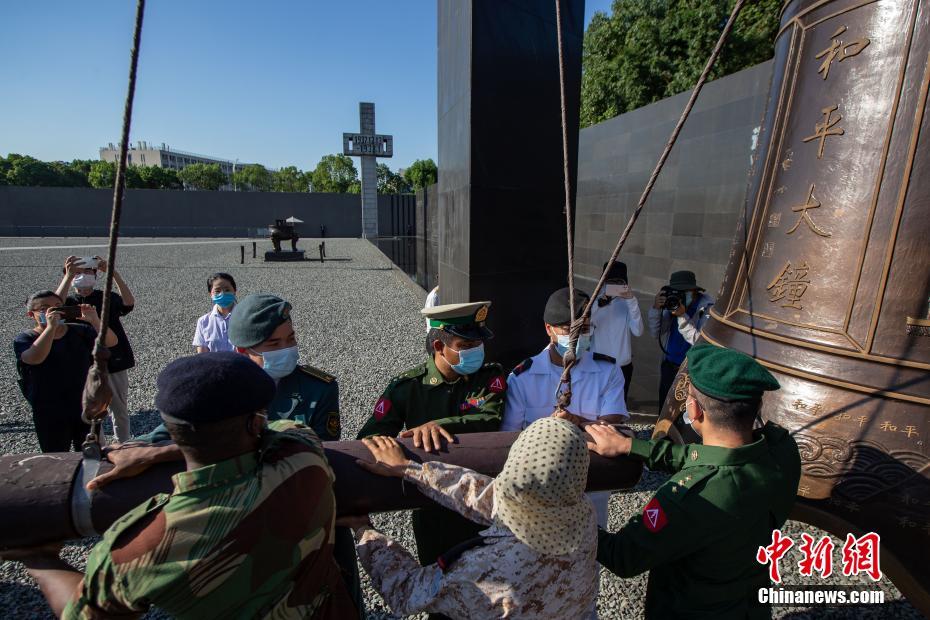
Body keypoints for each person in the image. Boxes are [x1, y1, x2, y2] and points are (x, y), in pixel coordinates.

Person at [6, 352, 357, 618]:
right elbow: (289, 431)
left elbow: (83, 612)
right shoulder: (303, 462)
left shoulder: (141, 547)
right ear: (255, 423)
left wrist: (39, 559)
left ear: (172, 428)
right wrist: (160, 454)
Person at [132, 293, 361, 615]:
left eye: (291, 338)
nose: (286, 349)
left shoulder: (319, 387)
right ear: (243, 351)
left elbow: (320, 451)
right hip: (236, 522)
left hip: (304, 512)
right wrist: (133, 450)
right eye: (273, 344)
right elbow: (166, 434)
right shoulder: (219, 387)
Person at [588, 343, 801, 619]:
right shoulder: (782, 451)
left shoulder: (686, 499)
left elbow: (623, 557)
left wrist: (570, 516)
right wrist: (631, 447)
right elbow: (705, 457)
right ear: (758, 405)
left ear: (694, 410)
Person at [341, 417, 598, 619]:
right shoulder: (581, 513)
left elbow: (406, 591)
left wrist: (364, 531)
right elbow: (492, 499)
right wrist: (412, 471)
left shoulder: (485, 570)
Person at [356, 302, 507, 573]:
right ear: (439, 347)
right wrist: (395, 451)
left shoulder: (489, 377)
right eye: (466, 345)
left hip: (482, 498)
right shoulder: (408, 387)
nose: (476, 351)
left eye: (478, 344)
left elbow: (490, 420)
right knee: (438, 582)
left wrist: (436, 425)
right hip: (431, 504)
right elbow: (370, 436)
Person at [500, 286, 627, 529]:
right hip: (537, 485)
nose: (579, 336)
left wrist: (576, 422)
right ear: (549, 329)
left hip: (591, 483)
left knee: (590, 548)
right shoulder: (522, 377)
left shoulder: (608, 371)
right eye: (570, 330)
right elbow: (509, 437)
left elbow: (613, 428)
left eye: (586, 328)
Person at [14, 291, 117, 452]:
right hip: (49, 411)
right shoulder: (26, 338)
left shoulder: (79, 331)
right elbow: (33, 358)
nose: (53, 311)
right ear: (31, 314)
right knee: (55, 456)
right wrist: (50, 329)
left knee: (89, 455)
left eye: (57, 307)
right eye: (44, 308)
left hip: (84, 406)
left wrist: (95, 320)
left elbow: (111, 342)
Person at [56, 255, 136, 442]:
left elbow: (128, 303)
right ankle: (97, 446)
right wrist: (67, 277)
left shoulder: (105, 297)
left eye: (88, 271)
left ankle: (124, 443)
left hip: (114, 358)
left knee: (119, 407)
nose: (83, 275)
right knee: (93, 408)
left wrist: (112, 273)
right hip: (83, 362)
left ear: (95, 275)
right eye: (78, 273)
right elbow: (53, 307)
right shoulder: (67, 302)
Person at [648, 270, 714, 408]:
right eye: (677, 291)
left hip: (691, 370)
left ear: (694, 291)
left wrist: (682, 316)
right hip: (669, 365)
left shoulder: (707, 309)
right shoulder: (672, 304)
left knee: (686, 411)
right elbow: (656, 333)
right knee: (665, 408)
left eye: (684, 292)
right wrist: (656, 309)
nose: (681, 295)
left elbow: (700, 342)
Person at [591, 260, 643, 400]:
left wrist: (631, 301)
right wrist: (599, 303)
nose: (614, 286)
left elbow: (638, 331)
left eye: (618, 283)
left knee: (619, 406)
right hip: (598, 365)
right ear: (603, 281)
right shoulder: (594, 301)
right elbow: (587, 331)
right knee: (596, 404)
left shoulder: (628, 303)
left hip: (622, 366)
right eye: (610, 282)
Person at [193, 272, 238, 353]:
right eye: (217, 291)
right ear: (211, 294)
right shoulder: (203, 322)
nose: (223, 293)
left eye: (227, 290)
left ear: (234, 291)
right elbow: (202, 356)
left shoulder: (247, 318)